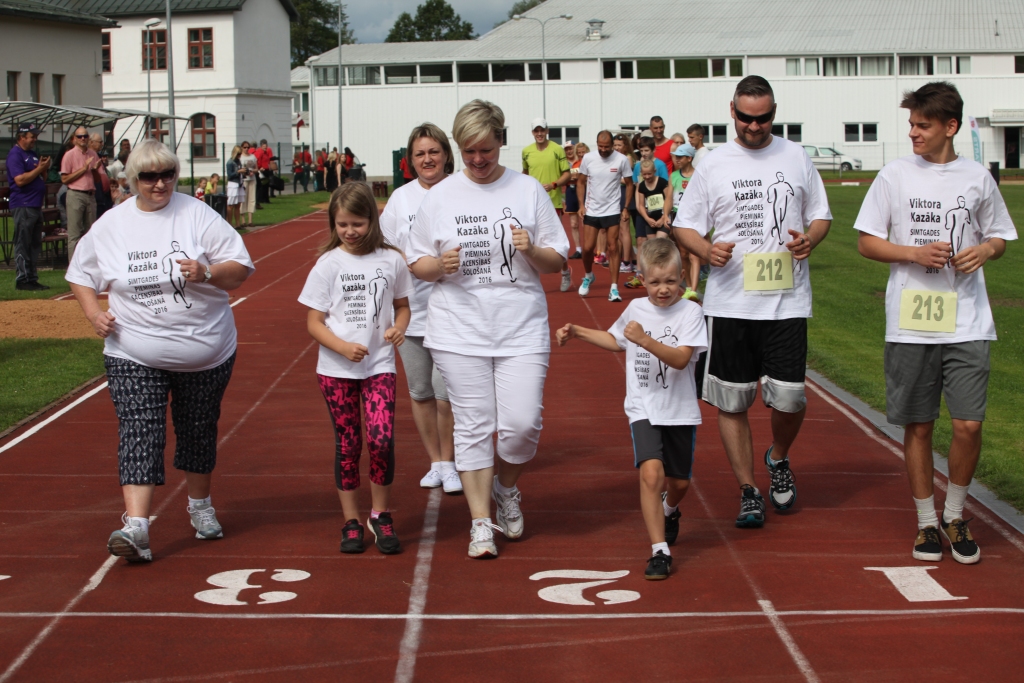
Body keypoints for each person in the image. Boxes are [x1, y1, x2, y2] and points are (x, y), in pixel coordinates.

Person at [66, 138, 254, 563]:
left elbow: (239, 270)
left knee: (197, 428)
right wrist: (93, 312)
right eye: (149, 176)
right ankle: (137, 528)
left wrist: (206, 271)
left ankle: (200, 506)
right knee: (139, 429)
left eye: (167, 174)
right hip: (133, 350)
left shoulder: (197, 214)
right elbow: (80, 273)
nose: (160, 183)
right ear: (132, 180)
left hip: (205, 349)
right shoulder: (112, 225)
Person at [853, 81, 1017, 564]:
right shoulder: (894, 176)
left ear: (951, 127)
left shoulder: (977, 178)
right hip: (910, 322)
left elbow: (1001, 235)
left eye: (922, 125)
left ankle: (957, 514)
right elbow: (866, 241)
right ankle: (927, 523)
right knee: (920, 425)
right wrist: (913, 252)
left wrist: (986, 249)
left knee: (967, 424)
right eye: (910, 124)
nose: (913, 133)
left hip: (967, 320)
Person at [407, 100, 569, 559]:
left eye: (486, 149)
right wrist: (438, 266)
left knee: (521, 425)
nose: (478, 160)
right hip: (459, 328)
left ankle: (505, 487)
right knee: (474, 426)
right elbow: (416, 261)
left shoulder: (528, 190)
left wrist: (532, 250)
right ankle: (480, 522)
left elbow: (558, 259)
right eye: (469, 151)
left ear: (501, 140)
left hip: (520, 327)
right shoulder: (439, 196)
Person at [673, 76, 832, 528]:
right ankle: (748, 489)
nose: (754, 126)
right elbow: (685, 226)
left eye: (763, 118)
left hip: (787, 301)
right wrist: (705, 251)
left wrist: (810, 241)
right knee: (733, 402)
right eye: (745, 117)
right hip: (729, 303)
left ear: (774, 113)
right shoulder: (713, 163)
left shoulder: (796, 156)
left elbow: (820, 215)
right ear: (732, 111)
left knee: (789, 400)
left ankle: (778, 456)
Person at [556, 239, 706, 579]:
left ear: (682, 277)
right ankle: (659, 551)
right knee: (651, 473)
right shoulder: (636, 310)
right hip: (643, 406)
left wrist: (646, 341)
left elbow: (682, 360)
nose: (663, 289)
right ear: (641, 278)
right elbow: (616, 340)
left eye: (670, 281)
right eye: (654, 282)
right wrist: (578, 331)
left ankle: (670, 510)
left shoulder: (691, 313)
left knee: (679, 484)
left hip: (679, 409)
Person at [299, 183, 412, 555]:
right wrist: (343, 347)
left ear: (372, 221)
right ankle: (351, 521)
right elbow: (314, 322)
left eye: (358, 223)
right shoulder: (328, 264)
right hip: (336, 370)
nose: (350, 231)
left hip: (380, 365)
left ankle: (380, 514)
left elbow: (402, 305)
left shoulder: (391, 259)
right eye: (342, 224)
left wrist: (399, 327)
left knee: (380, 439)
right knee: (348, 445)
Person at [380, 123, 461, 495]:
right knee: (421, 392)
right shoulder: (400, 200)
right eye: (419, 154)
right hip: (411, 312)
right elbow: (384, 249)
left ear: (446, 154)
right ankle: (437, 462)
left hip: (455, 310)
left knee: (447, 394)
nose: (428, 159)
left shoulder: (463, 191)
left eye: (434, 151)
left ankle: (453, 460)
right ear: (410, 161)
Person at [578, 131, 633, 302]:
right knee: (587, 248)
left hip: (612, 209)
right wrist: (581, 205)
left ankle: (614, 289)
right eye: (600, 147)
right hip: (592, 209)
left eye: (606, 147)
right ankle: (588, 276)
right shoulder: (588, 158)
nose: (603, 150)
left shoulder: (621, 159)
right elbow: (580, 181)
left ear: (612, 145)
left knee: (613, 247)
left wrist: (625, 208)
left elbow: (630, 184)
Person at [521, 118, 573, 292]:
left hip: (553, 201)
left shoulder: (557, 150)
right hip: (531, 202)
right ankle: (529, 277)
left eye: (542, 130)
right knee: (529, 240)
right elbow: (525, 173)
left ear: (547, 131)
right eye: (536, 131)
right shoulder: (526, 152)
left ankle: (565, 273)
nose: (539, 134)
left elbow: (567, 174)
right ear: (532, 133)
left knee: (555, 240)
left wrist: (553, 185)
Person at [6, 121, 52, 291]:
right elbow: (19, 180)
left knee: (34, 243)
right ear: (22, 137)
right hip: (23, 204)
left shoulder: (32, 154)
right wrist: (39, 169)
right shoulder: (15, 155)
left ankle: (32, 277)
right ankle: (22, 278)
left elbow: (41, 179)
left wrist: (44, 169)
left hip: (35, 204)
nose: (34, 139)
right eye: (32, 136)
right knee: (23, 243)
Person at [60, 126, 101, 261]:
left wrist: (94, 170)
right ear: (75, 139)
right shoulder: (69, 155)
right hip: (75, 194)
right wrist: (83, 169)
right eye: (79, 136)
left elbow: (97, 180)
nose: (83, 138)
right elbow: (65, 179)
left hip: (90, 194)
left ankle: (89, 265)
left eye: (85, 136)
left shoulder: (93, 154)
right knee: (74, 234)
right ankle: (73, 268)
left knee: (91, 234)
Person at [669, 143, 702, 293]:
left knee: (694, 253)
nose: (677, 159)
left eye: (680, 157)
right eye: (676, 156)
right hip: (678, 215)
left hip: (695, 216)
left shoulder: (699, 175)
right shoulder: (674, 176)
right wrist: (665, 215)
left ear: (689, 158)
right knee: (683, 253)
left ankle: (693, 290)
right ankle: (688, 286)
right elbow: (669, 197)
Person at [566, 142, 587, 261]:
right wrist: (571, 177)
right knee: (574, 224)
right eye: (566, 149)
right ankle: (578, 249)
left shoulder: (582, 161)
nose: (569, 151)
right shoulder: (565, 163)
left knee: (585, 222)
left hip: (584, 191)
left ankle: (589, 248)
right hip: (571, 191)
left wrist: (577, 177)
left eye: (570, 149)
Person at [239, 143, 258, 226]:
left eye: (248, 147)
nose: (246, 149)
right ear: (242, 148)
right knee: (243, 199)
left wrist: (253, 171)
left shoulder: (253, 157)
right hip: (244, 180)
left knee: (252, 199)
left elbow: (256, 168)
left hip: (252, 179)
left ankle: (250, 220)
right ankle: (243, 220)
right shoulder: (240, 157)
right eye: (245, 147)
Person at [226, 145, 244, 228]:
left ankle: (238, 223)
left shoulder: (238, 161)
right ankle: (229, 223)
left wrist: (244, 172)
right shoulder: (230, 162)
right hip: (233, 184)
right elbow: (230, 175)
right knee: (230, 205)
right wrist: (238, 171)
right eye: (238, 154)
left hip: (239, 183)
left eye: (240, 154)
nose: (239, 156)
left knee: (238, 205)